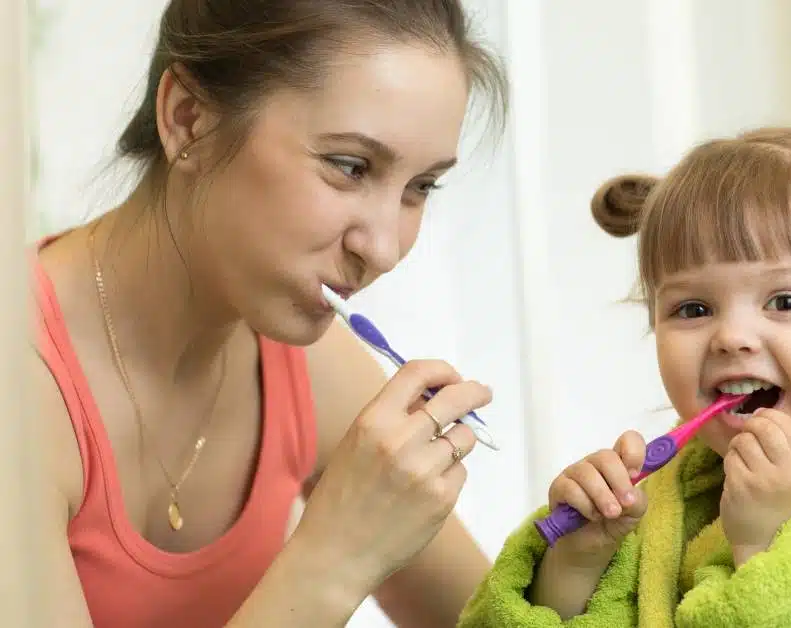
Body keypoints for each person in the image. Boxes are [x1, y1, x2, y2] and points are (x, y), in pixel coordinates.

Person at [29, 1, 507, 626]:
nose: (385, 249)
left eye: (420, 188)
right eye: (349, 166)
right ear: (188, 119)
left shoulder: (304, 361)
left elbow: (488, 619)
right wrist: (334, 559)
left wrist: (577, 557)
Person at [459, 108, 791, 627]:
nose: (731, 337)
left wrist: (766, 544)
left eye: (784, 301)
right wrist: (573, 567)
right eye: (693, 309)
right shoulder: (659, 495)